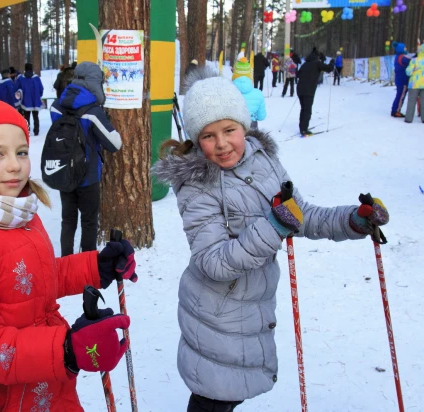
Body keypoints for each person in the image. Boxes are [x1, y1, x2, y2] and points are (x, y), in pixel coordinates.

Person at [152, 67, 390, 412]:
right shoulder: (196, 185)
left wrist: (353, 220)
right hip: (218, 314)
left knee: (228, 393)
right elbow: (214, 261)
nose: (221, 144)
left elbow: (301, 213)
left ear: (244, 125)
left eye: (229, 130)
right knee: (214, 397)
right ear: (195, 138)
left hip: (250, 309)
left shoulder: (263, 161)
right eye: (208, 135)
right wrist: (274, 226)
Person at [0, 97, 136, 411]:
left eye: (21, 152)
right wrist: (66, 350)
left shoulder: (15, 209)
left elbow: (34, 280)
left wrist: (94, 267)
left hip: (45, 383)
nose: (15, 165)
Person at [49, 62, 123, 256]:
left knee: (68, 220)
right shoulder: (93, 111)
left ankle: (66, 262)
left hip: (64, 172)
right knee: (89, 222)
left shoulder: (56, 106)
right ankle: (86, 266)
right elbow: (114, 144)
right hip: (88, 176)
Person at [296, 47, 334, 136]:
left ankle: (302, 127)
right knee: (307, 110)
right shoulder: (317, 63)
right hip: (308, 90)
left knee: (303, 109)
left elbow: (298, 74)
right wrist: (332, 63)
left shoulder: (305, 64)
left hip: (300, 89)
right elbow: (328, 69)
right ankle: (304, 130)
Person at [232, 55, 266, 130]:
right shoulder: (258, 94)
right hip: (252, 126)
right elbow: (261, 117)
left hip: (232, 128)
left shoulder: (227, 91)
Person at [18, 62, 44, 135]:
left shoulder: (21, 78)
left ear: (25, 69)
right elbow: (41, 89)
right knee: (36, 116)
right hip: (35, 101)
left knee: (26, 117)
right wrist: (38, 96)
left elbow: (17, 89)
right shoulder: (36, 78)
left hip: (26, 101)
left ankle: (27, 130)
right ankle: (36, 131)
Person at [405, 43, 424, 123]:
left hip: (414, 84)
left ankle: (409, 119)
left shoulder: (414, 60)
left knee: (411, 101)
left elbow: (408, 72)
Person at [391, 42, 412, 118]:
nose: (406, 49)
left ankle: (395, 109)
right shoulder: (402, 57)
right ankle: (396, 111)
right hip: (403, 80)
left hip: (400, 80)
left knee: (399, 95)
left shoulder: (398, 56)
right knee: (400, 96)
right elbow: (410, 61)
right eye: (405, 48)